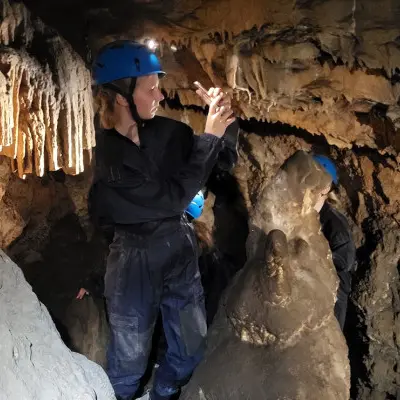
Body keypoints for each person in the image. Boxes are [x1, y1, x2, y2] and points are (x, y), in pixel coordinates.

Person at [88, 40, 235, 400]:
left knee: (190, 351)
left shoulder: (172, 133)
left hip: (179, 247)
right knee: (129, 363)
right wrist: (209, 136)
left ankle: (164, 392)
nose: (159, 94)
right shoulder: (108, 159)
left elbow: (220, 163)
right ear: (122, 96)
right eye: (150, 87)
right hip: (133, 260)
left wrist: (223, 121)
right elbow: (170, 199)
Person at [312, 154, 356, 331]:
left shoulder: (335, 224)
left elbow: (345, 262)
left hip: (333, 296)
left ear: (326, 187)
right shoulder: (302, 216)